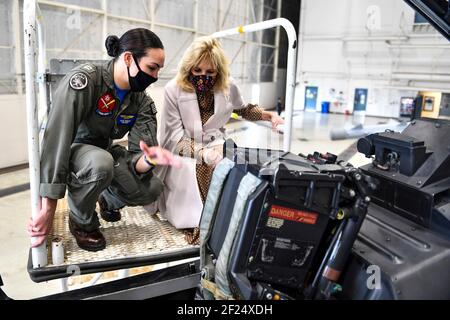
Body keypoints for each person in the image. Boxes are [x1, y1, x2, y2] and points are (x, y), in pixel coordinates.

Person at [27, 28, 181, 252]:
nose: (155, 76)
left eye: (159, 70)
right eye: (152, 68)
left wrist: (149, 159)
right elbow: (56, 139)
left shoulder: (141, 101)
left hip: (103, 154)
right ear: (128, 58)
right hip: (72, 152)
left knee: (151, 188)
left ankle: (106, 199)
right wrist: (48, 207)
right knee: (101, 163)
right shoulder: (86, 81)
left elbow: (138, 157)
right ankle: (81, 222)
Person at [155, 36, 284, 244]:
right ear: (189, 68)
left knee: (233, 165)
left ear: (219, 72)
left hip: (214, 140)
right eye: (197, 71)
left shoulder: (228, 86)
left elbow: (244, 109)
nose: (202, 77)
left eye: (210, 72)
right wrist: (202, 153)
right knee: (195, 169)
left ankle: (227, 220)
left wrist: (270, 116)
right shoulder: (173, 89)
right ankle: (202, 224)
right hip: (184, 147)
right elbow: (173, 138)